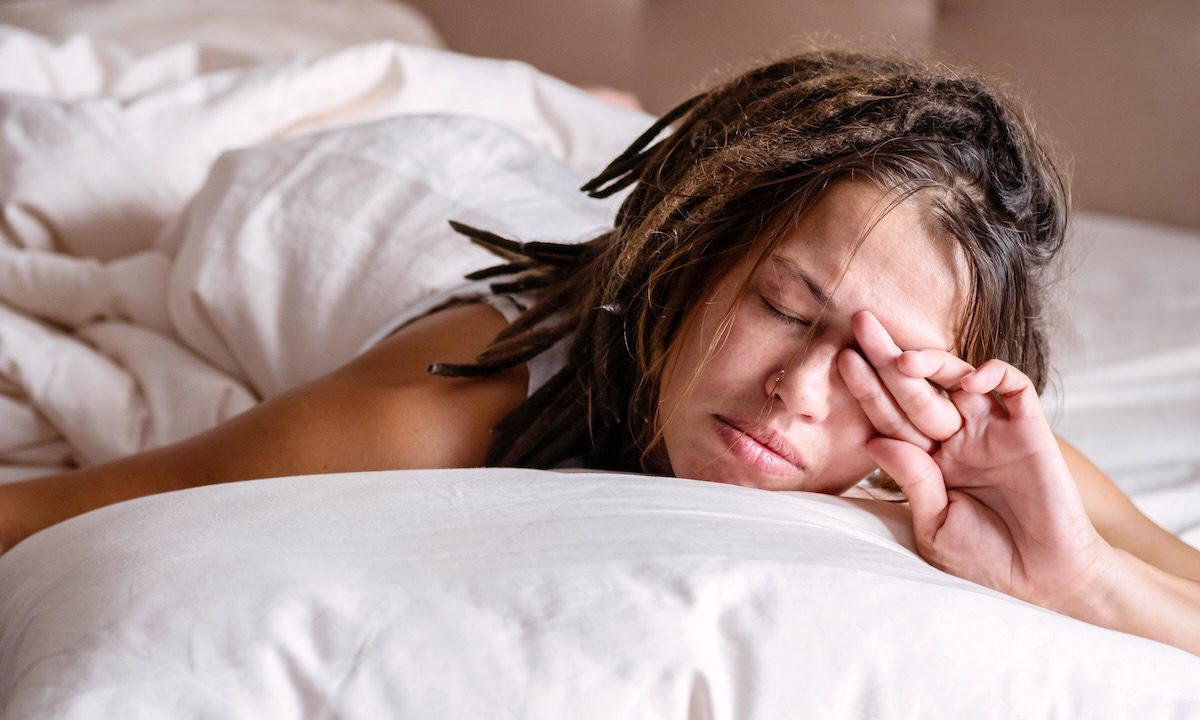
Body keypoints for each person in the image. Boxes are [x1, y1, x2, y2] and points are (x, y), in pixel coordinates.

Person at [0, 50, 1196, 655]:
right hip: (371, 188)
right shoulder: (456, 402)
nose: (797, 389)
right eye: (784, 306)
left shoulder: (954, 442)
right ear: (694, 267)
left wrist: (1083, 578)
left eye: (876, 365)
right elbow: (52, 509)